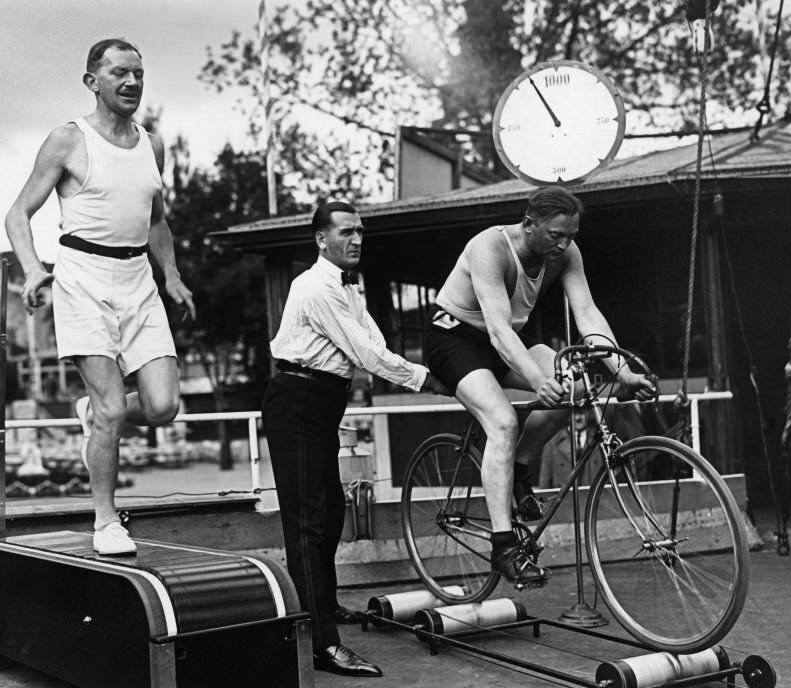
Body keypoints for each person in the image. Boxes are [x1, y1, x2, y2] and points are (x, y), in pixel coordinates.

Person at [4, 38, 195, 556]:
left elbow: (156, 219)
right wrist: (31, 271)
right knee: (114, 412)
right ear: (93, 82)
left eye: (138, 73)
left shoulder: (153, 145)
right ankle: (107, 520)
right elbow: (18, 214)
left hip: (138, 280)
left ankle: (95, 414)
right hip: (82, 279)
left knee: (162, 406)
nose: (131, 82)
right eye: (118, 74)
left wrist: (171, 275)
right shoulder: (69, 140)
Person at [426, 185, 654, 586]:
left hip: (509, 339)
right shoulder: (489, 248)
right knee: (501, 422)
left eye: (571, 236)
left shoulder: (565, 252)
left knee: (576, 389)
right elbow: (497, 330)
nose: (563, 244)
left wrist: (622, 371)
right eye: (555, 235)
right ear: (529, 224)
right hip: (457, 340)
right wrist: (537, 380)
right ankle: (503, 547)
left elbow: (588, 315)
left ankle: (518, 468)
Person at [262, 201, 448, 678]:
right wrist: (431, 380)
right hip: (298, 400)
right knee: (307, 522)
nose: (357, 240)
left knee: (331, 512)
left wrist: (417, 371)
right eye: (346, 232)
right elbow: (367, 354)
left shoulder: (350, 288)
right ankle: (321, 643)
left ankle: (321, 607)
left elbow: (376, 343)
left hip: (324, 402)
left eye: (361, 231)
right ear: (321, 239)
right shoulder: (315, 286)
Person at [537, 408, 603, 489]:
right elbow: (545, 481)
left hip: (595, 499)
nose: (577, 418)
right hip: (565, 500)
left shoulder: (600, 440)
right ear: (567, 416)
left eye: (581, 413)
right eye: (574, 414)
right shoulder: (552, 443)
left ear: (588, 414)